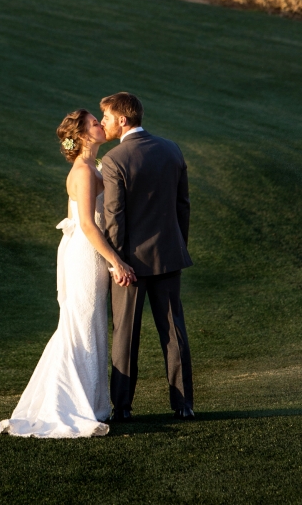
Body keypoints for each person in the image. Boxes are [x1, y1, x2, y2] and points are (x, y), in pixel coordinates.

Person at [0, 109, 136, 438]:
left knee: (89, 325)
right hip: (84, 255)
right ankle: (71, 406)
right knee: (79, 325)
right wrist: (116, 261)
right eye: (95, 122)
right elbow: (86, 225)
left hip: (91, 255)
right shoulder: (82, 171)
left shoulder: (93, 166)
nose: (100, 124)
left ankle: (92, 404)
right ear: (82, 135)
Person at [100, 91, 194, 421]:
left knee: (125, 335)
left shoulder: (115, 160)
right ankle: (184, 405)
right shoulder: (171, 149)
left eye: (108, 118)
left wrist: (117, 262)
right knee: (173, 331)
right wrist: (177, 244)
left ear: (123, 120)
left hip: (130, 265)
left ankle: (122, 408)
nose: (104, 123)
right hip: (169, 256)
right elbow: (183, 205)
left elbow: (115, 217)